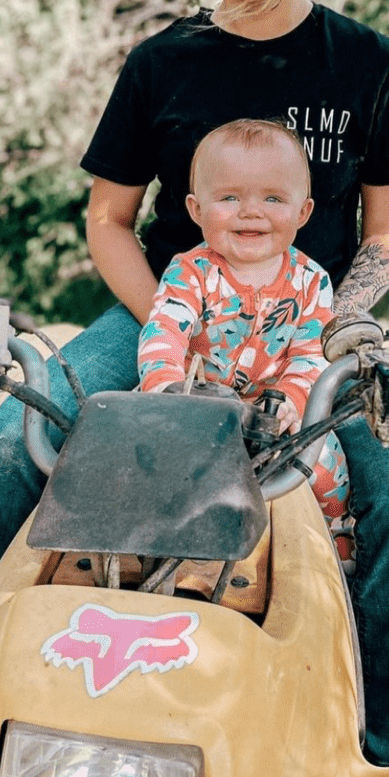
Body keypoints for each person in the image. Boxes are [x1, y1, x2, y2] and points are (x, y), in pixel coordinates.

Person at [0, 0, 389, 765]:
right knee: (6, 451)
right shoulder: (162, 65)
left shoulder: (364, 62)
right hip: (169, 305)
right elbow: (108, 222)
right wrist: (181, 332)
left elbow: (388, 228)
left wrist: (334, 330)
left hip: (318, 323)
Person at [137, 117, 352, 548]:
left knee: (325, 463)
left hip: (274, 416)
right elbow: (163, 332)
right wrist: (165, 387)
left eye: (273, 198)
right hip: (195, 410)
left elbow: (311, 356)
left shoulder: (312, 282)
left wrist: (293, 402)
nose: (250, 211)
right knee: (138, 459)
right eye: (230, 197)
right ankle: (147, 543)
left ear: (302, 211)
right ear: (196, 209)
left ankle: (332, 543)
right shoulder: (190, 272)